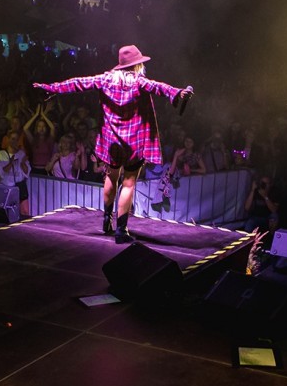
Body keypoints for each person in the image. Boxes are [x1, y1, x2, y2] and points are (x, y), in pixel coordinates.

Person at [33, 45, 192, 244]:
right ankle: (121, 230)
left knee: (111, 176)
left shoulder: (105, 79)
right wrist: (178, 93)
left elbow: (77, 83)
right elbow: (159, 87)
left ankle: (107, 220)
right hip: (134, 142)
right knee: (129, 182)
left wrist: (51, 88)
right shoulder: (139, 81)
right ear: (137, 64)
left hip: (112, 141)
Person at [0, 130, 32, 217]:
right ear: (8, 140)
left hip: (20, 187)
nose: (14, 141)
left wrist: (23, 163)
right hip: (7, 188)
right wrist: (11, 162)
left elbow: (26, 172)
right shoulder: (1, 154)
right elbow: (3, 171)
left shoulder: (21, 153)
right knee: (8, 214)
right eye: (12, 139)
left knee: (24, 213)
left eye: (16, 139)